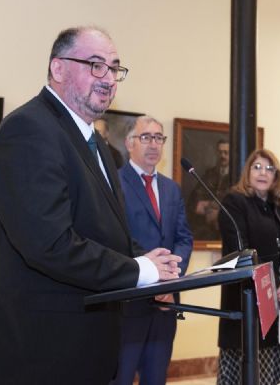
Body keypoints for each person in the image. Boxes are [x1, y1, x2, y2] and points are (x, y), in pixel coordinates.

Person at [0, 26, 182, 385]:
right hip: (34, 354)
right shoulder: (28, 130)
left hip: (84, 351)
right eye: (96, 65)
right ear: (58, 68)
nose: (108, 78)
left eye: (114, 68)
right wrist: (139, 270)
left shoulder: (96, 143)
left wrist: (151, 260)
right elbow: (49, 244)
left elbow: (102, 231)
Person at [113, 115, 194, 385]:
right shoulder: (114, 184)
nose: (153, 144)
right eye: (146, 137)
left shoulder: (172, 189)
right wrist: (152, 275)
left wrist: (170, 278)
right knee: (121, 376)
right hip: (129, 300)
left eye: (159, 138)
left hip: (166, 302)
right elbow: (117, 238)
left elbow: (184, 238)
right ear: (129, 143)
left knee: (156, 377)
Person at [217, 149, 280, 385]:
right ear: (248, 172)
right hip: (250, 299)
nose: (263, 173)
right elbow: (239, 252)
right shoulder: (234, 202)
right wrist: (268, 286)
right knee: (252, 373)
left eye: (269, 168)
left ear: (276, 176)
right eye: (257, 167)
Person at [186, 139, 230, 240]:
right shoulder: (210, 174)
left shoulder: (237, 176)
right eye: (220, 152)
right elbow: (195, 197)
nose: (222, 156)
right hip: (207, 227)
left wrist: (217, 209)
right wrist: (205, 204)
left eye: (226, 153)